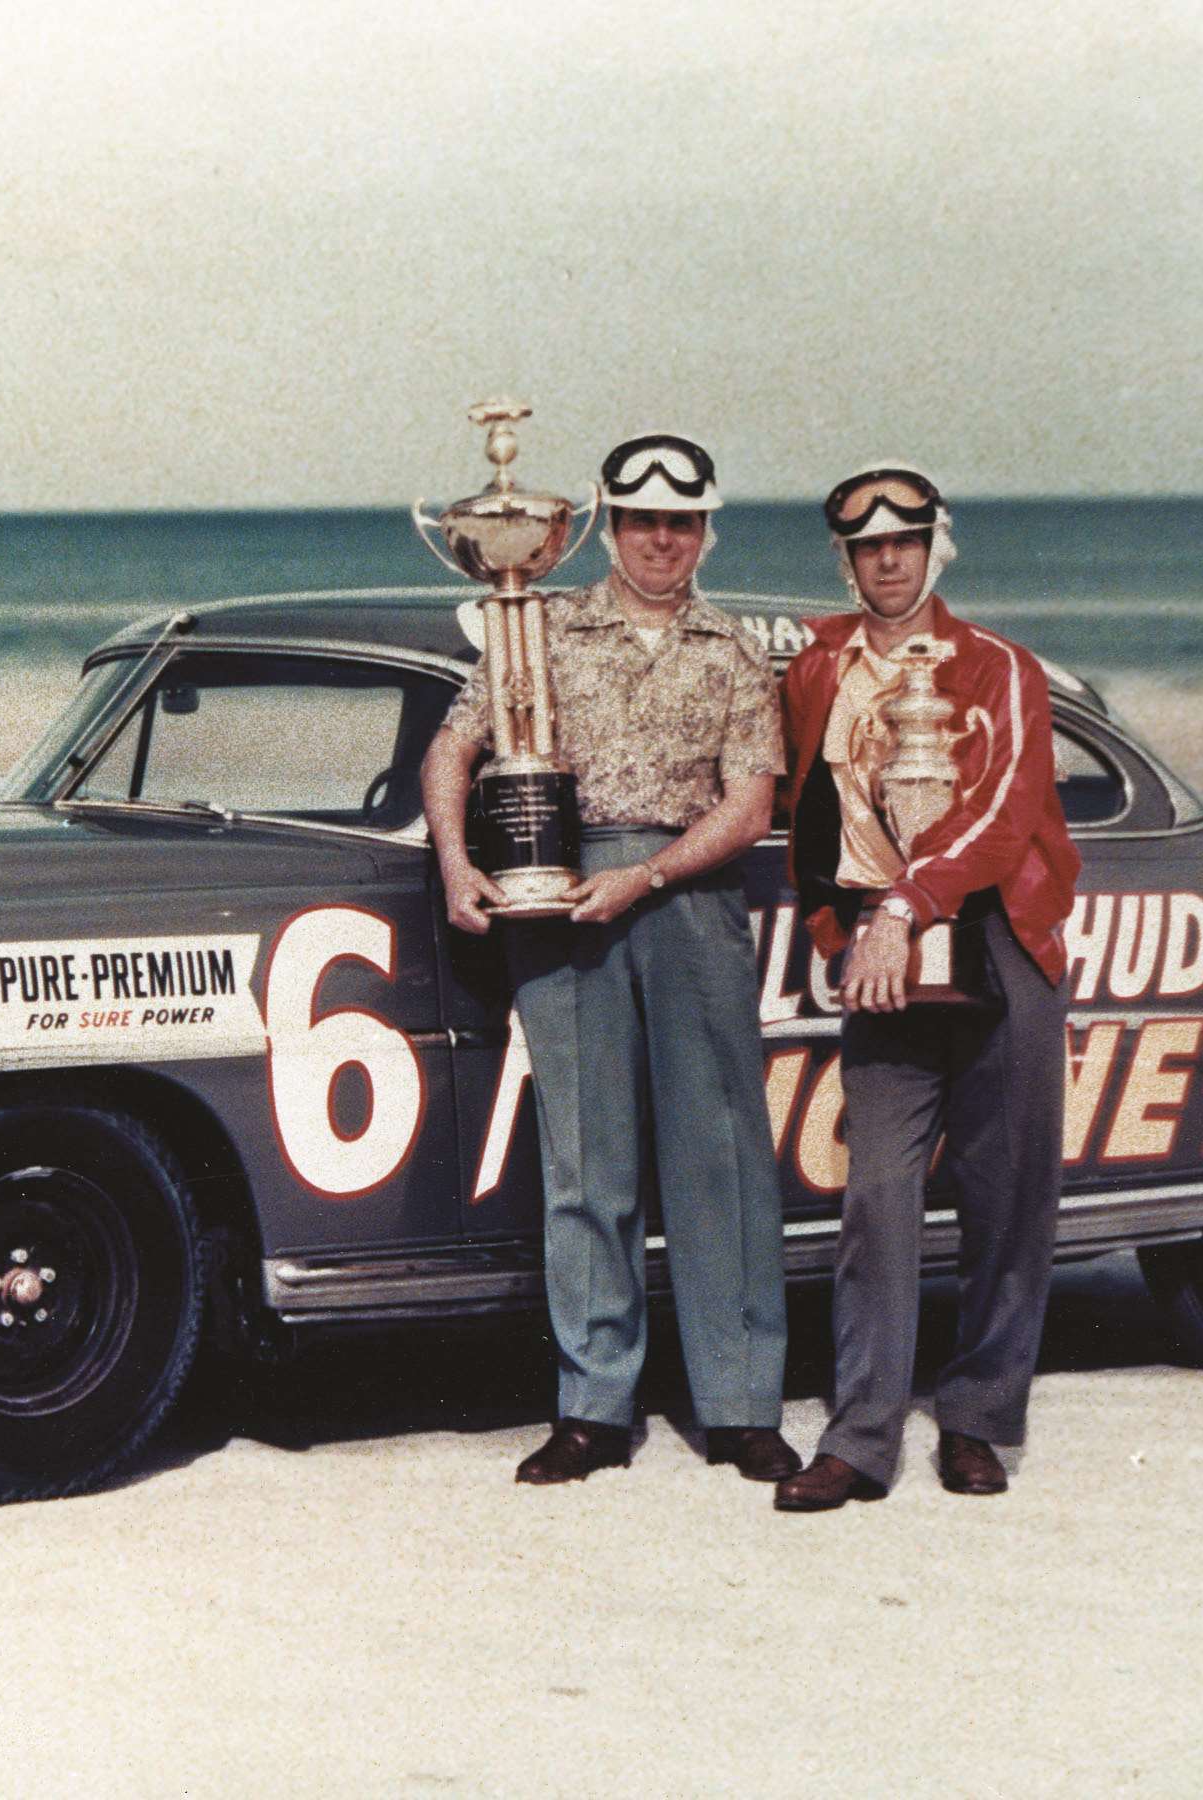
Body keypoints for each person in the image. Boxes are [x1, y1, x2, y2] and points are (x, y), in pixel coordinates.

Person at [420, 431, 795, 1486]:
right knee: (588, 1164)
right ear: (607, 524)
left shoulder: (734, 652)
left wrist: (652, 877)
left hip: (689, 901)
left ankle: (741, 1406)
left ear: (707, 529)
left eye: (683, 521)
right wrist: (458, 866)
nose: (663, 540)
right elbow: (455, 748)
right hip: (560, 903)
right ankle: (593, 1409)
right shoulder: (536, 631)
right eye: (642, 520)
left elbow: (751, 803)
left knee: (718, 1160)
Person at [770, 463, 1081, 1510]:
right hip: (879, 952)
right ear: (847, 559)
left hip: (994, 939)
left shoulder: (1000, 667)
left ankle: (979, 1419)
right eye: (867, 547)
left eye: (904, 541)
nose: (887, 559)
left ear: (936, 546)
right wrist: (840, 927)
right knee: (877, 1195)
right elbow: (800, 810)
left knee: (1006, 1192)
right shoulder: (816, 670)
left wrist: (905, 908)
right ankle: (861, 1438)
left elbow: (1003, 813)